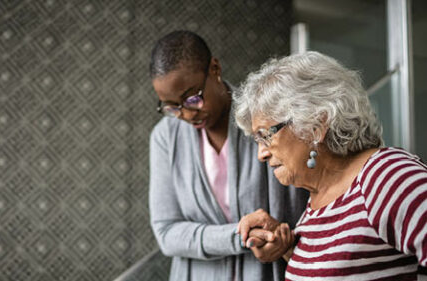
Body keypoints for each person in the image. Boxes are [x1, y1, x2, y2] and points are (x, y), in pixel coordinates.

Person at [233, 51, 427, 280]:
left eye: (266, 136)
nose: (261, 154)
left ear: (315, 125)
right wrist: (286, 248)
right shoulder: (318, 200)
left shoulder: (387, 176)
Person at [148, 30, 308, 281]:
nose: (187, 114)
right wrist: (240, 236)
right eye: (172, 107)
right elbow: (167, 232)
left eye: (192, 98)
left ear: (214, 68)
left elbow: (306, 205)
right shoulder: (165, 138)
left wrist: (283, 241)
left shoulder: (267, 117)